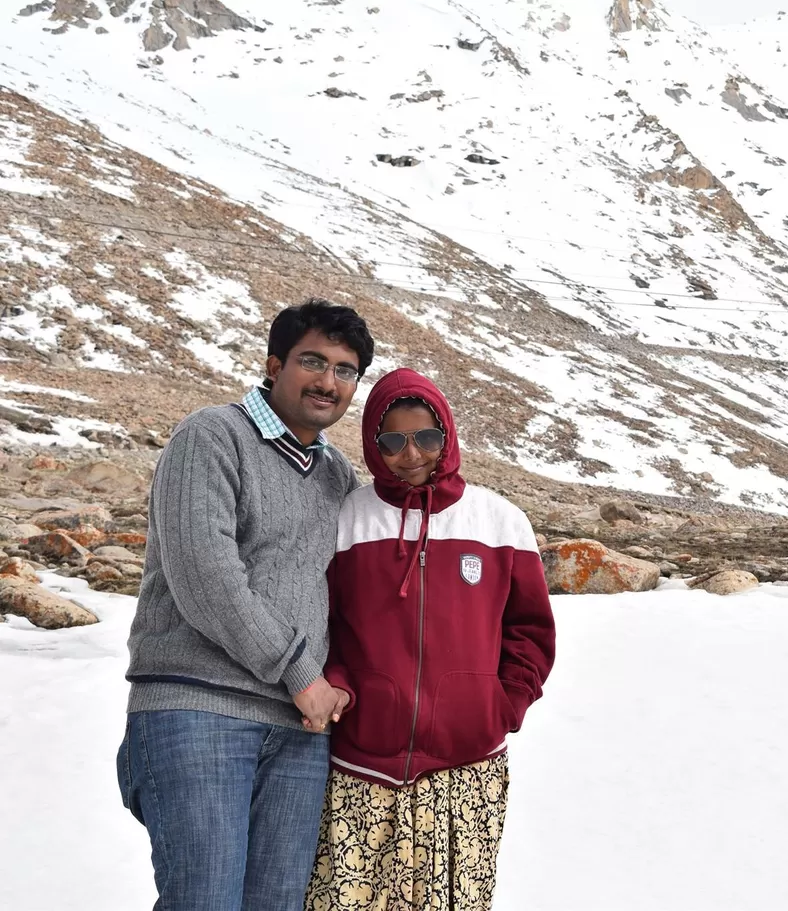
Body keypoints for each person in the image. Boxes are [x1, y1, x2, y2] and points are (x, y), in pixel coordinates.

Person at [116, 299, 375, 911]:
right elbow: (207, 577)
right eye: (313, 361)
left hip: (299, 727)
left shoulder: (337, 475)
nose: (328, 381)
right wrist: (301, 672)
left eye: (345, 370)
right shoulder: (212, 436)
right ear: (273, 364)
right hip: (198, 709)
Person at [305, 368, 555, 911]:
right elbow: (322, 620)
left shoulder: (500, 522)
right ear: (374, 444)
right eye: (392, 441)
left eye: (426, 437)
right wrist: (341, 684)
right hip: (361, 768)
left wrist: (500, 705)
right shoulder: (349, 519)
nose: (411, 453)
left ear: (448, 435)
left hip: (467, 768)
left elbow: (529, 632)